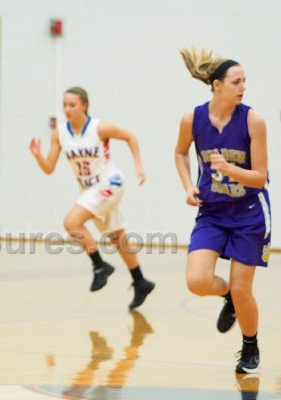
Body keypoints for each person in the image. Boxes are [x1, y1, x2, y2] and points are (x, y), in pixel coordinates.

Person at [174, 48, 271, 374]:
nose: (243, 87)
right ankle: (228, 296)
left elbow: (259, 177)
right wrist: (188, 185)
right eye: (236, 82)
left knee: (244, 289)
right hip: (212, 212)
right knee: (197, 281)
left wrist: (229, 169)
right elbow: (180, 153)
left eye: (244, 81)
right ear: (217, 85)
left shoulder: (253, 120)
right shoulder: (193, 118)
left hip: (249, 212)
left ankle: (250, 343)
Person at [29, 87, 155, 309]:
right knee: (116, 236)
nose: (67, 109)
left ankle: (100, 266)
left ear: (84, 105)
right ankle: (140, 281)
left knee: (71, 222)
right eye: (65, 105)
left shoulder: (99, 127)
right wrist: (38, 156)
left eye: (72, 104)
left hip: (109, 182)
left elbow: (130, 136)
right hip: (88, 190)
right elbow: (49, 168)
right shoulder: (60, 133)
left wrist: (138, 165)